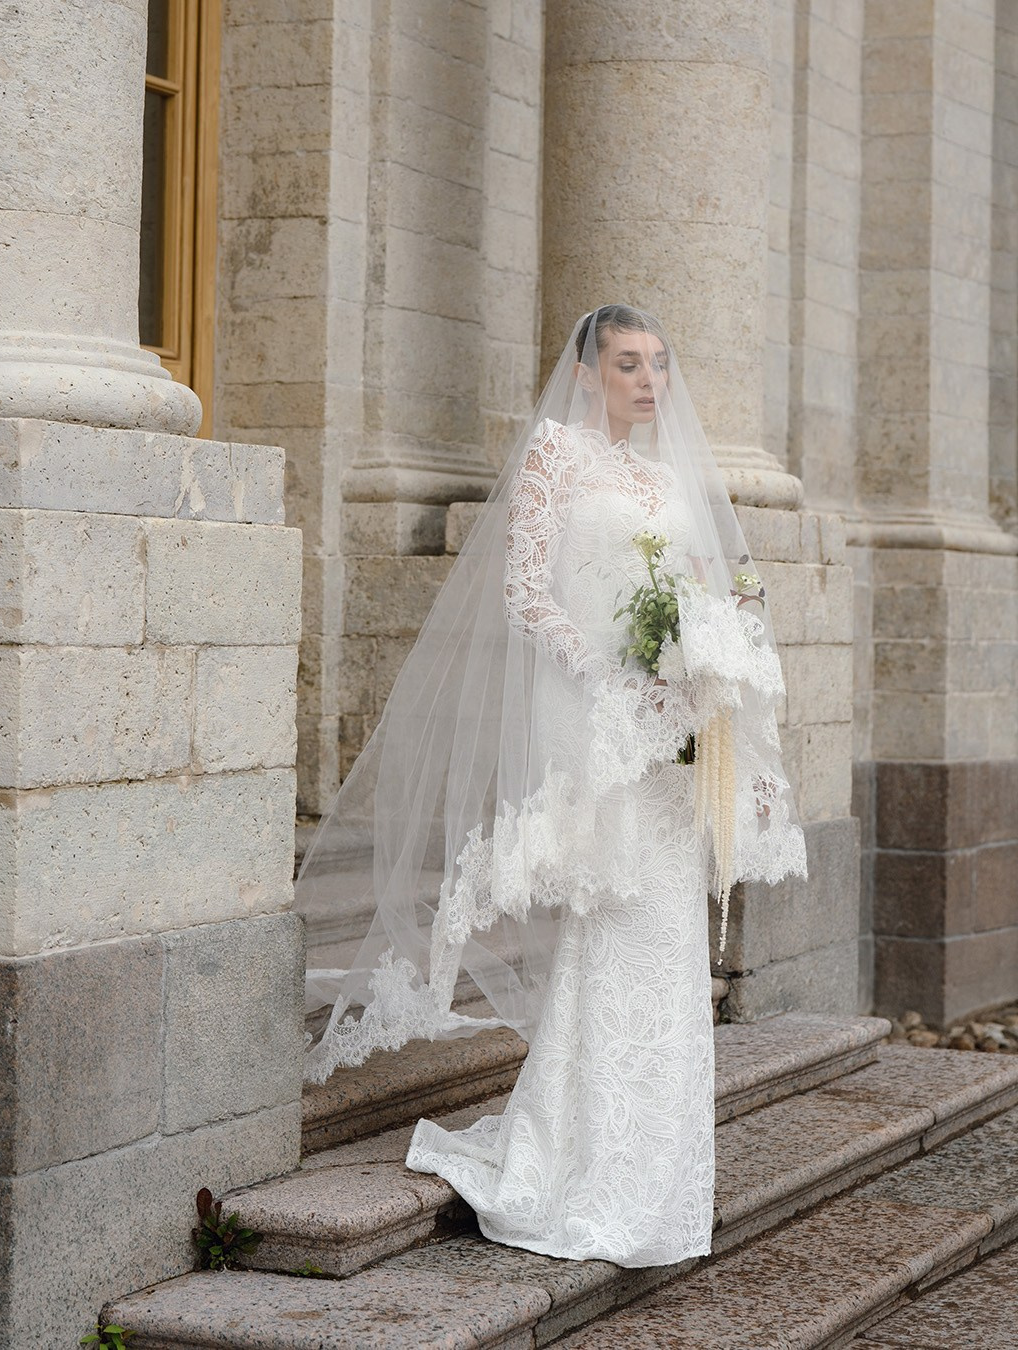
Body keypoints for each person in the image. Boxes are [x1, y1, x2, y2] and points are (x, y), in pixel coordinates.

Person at [297, 304, 807, 1267]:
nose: (647, 381)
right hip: (596, 721)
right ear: (586, 373)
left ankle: (656, 1181)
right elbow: (527, 595)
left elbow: (703, 594)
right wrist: (616, 681)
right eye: (627, 364)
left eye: (658, 363)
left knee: (664, 934)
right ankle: (586, 1165)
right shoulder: (554, 459)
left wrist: (706, 660)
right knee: (613, 922)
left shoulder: (664, 478)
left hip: (666, 734)